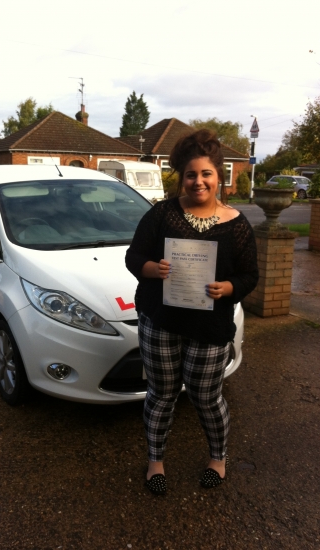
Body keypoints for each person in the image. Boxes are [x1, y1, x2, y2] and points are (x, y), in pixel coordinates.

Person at [125, 129, 259, 494]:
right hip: (162, 321)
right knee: (161, 394)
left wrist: (228, 288)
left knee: (206, 396)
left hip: (209, 325)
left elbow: (249, 275)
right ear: (181, 177)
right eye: (190, 174)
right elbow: (134, 257)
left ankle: (218, 458)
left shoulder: (237, 225)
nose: (198, 181)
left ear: (218, 177)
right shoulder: (162, 215)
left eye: (206, 174)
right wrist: (154, 269)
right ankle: (156, 461)